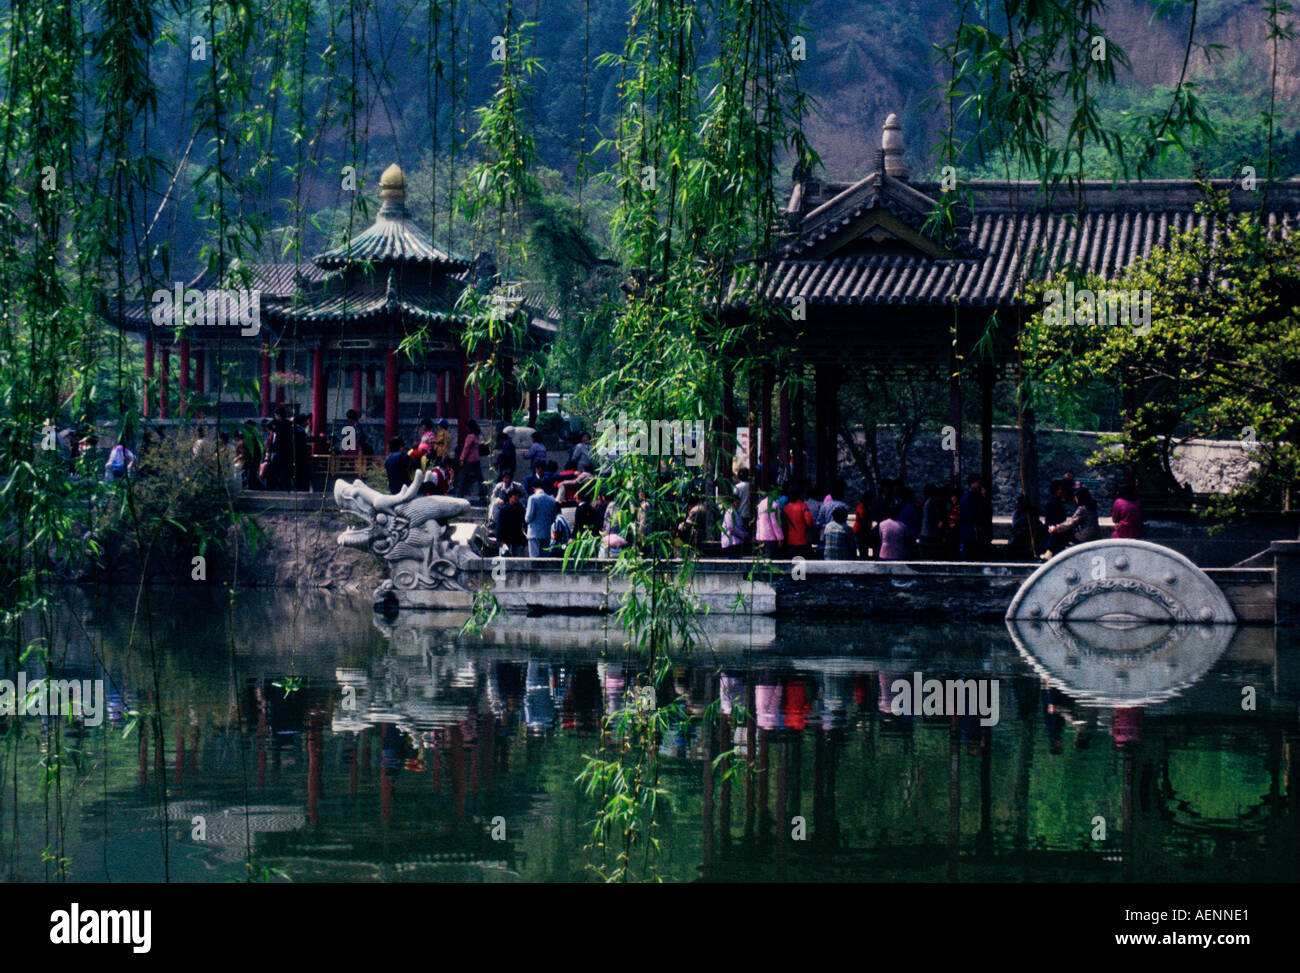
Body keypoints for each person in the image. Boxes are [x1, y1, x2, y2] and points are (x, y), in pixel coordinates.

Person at [958, 474, 991, 560]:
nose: (979, 485)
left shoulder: (973, 497)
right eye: (977, 483)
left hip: (973, 533)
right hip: (971, 533)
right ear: (972, 484)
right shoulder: (968, 498)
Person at [1008, 493, 1048, 559]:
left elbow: (1036, 522)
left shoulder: (1031, 512)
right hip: (1020, 533)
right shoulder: (1017, 513)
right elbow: (1015, 525)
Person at [524, 481, 559, 557]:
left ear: (533, 488)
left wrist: (526, 521)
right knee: (544, 559)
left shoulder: (532, 498)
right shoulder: (552, 500)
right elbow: (553, 518)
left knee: (534, 558)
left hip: (534, 533)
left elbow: (529, 517)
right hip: (546, 532)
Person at [782, 486, 815, 558]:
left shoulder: (786, 508)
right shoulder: (803, 506)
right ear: (800, 495)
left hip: (790, 542)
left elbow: (784, 526)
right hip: (803, 541)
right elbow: (809, 522)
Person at [456, 419, 483, 501]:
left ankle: (460, 494)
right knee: (480, 478)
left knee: (462, 477)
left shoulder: (470, 436)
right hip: (476, 459)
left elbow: (466, 449)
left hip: (469, 460)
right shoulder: (476, 436)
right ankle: (483, 493)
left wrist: (461, 459)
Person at [497, 486, 527, 556]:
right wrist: (500, 540)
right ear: (510, 497)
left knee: (516, 561)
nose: (517, 498)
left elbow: (524, 523)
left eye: (518, 496)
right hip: (505, 539)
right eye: (515, 496)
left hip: (517, 539)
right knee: (504, 560)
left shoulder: (521, 509)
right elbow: (499, 525)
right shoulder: (504, 509)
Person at [1044, 479, 1070, 555]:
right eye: (1058, 489)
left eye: (1062, 489)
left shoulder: (1060, 502)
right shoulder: (1053, 503)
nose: (1061, 491)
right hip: (1053, 528)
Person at [919, 484, 945, 558]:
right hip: (929, 534)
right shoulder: (930, 504)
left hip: (929, 533)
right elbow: (931, 519)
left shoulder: (931, 503)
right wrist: (939, 524)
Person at [755, 491, 784, 558]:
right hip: (771, 537)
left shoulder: (761, 504)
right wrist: (780, 537)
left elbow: (758, 521)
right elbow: (775, 523)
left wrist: (757, 536)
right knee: (771, 559)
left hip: (761, 536)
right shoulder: (774, 505)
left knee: (763, 559)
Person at [489, 471, 515, 535]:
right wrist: (498, 500)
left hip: (513, 505)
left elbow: (525, 497)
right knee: (494, 504)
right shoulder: (499, 486)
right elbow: (493, 497)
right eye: (506, 478)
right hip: (502, 504)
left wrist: (515, 500)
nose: (507, 480)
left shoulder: (517, 486)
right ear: (503, 479)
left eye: (509, 478)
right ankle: (492, 524)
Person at [720, 493, 746, 557]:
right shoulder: (730, 512)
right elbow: (731, 527)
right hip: (731, 542)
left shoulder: (736, 512)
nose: (739, 504)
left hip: (736, 541)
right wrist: (743, 534)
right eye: (737, 502)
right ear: (733, 502)